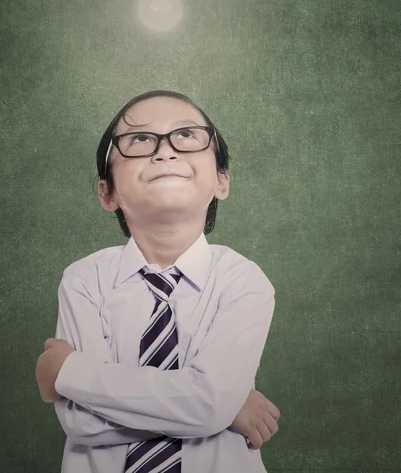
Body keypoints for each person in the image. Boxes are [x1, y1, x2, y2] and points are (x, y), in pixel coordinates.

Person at [36, 90, 281, 473]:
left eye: (186, 135)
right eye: (139, 139)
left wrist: (69, 373)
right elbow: (81, 422)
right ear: (107, 192)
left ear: (221, 181)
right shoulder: (84, 280)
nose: (165, 152)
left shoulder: (243, 280)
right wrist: (223, 409)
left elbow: (209, 405)